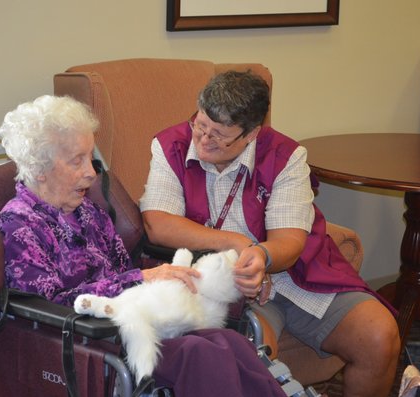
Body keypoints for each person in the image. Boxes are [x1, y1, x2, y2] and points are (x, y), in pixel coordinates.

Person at [0, 94, 287, 397]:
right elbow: (47, 307)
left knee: (232, 343)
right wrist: (141, 279)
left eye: (90, 158)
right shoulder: (19, 226)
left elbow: (124, 270)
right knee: (199, 353)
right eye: (76, 161)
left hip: (138, 323)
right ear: (40, 168)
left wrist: (168, 280)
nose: (92, 174)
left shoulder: (89, 212)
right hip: (91, 342)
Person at [139, 71, 401, 397]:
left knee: (379, 334)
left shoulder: (286, 156)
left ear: (251, 134)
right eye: (200, 125)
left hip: (297, 275)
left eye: (220, 136)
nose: (203, 140)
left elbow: (289, 242)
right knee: (249, 355)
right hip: (225, 285)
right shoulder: (170, 146)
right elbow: (157, 223)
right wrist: (237, 244)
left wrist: (262, 256)